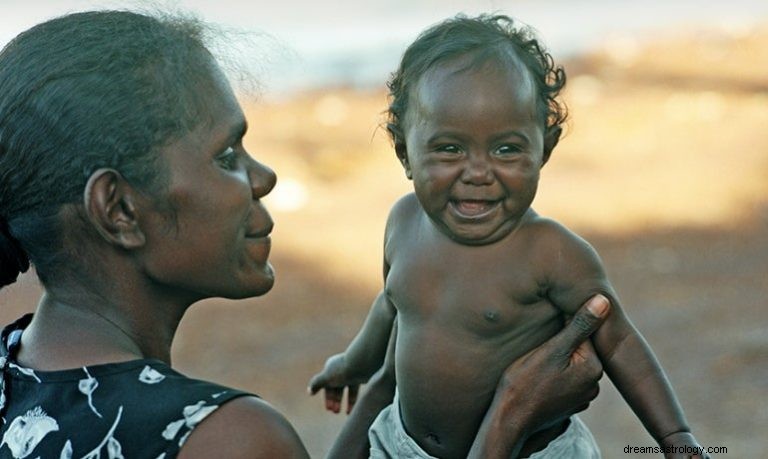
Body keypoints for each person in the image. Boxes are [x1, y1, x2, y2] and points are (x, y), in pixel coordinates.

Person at [0, 9, 609, 459]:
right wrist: (510, 416)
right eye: (226, 155)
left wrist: (382, 390)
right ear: (120, 211)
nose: (263, 177)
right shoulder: (228, 441)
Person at [309, 14, 709, 459]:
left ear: (545, 150)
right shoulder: (403, 222)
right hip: (401, 444)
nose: (478, 172)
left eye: (506, 149)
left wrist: (675, 438)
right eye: (449, 148)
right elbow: (392, 309)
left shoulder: (552, 253)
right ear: (404, 151)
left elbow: (619, 341)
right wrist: (349, 365)